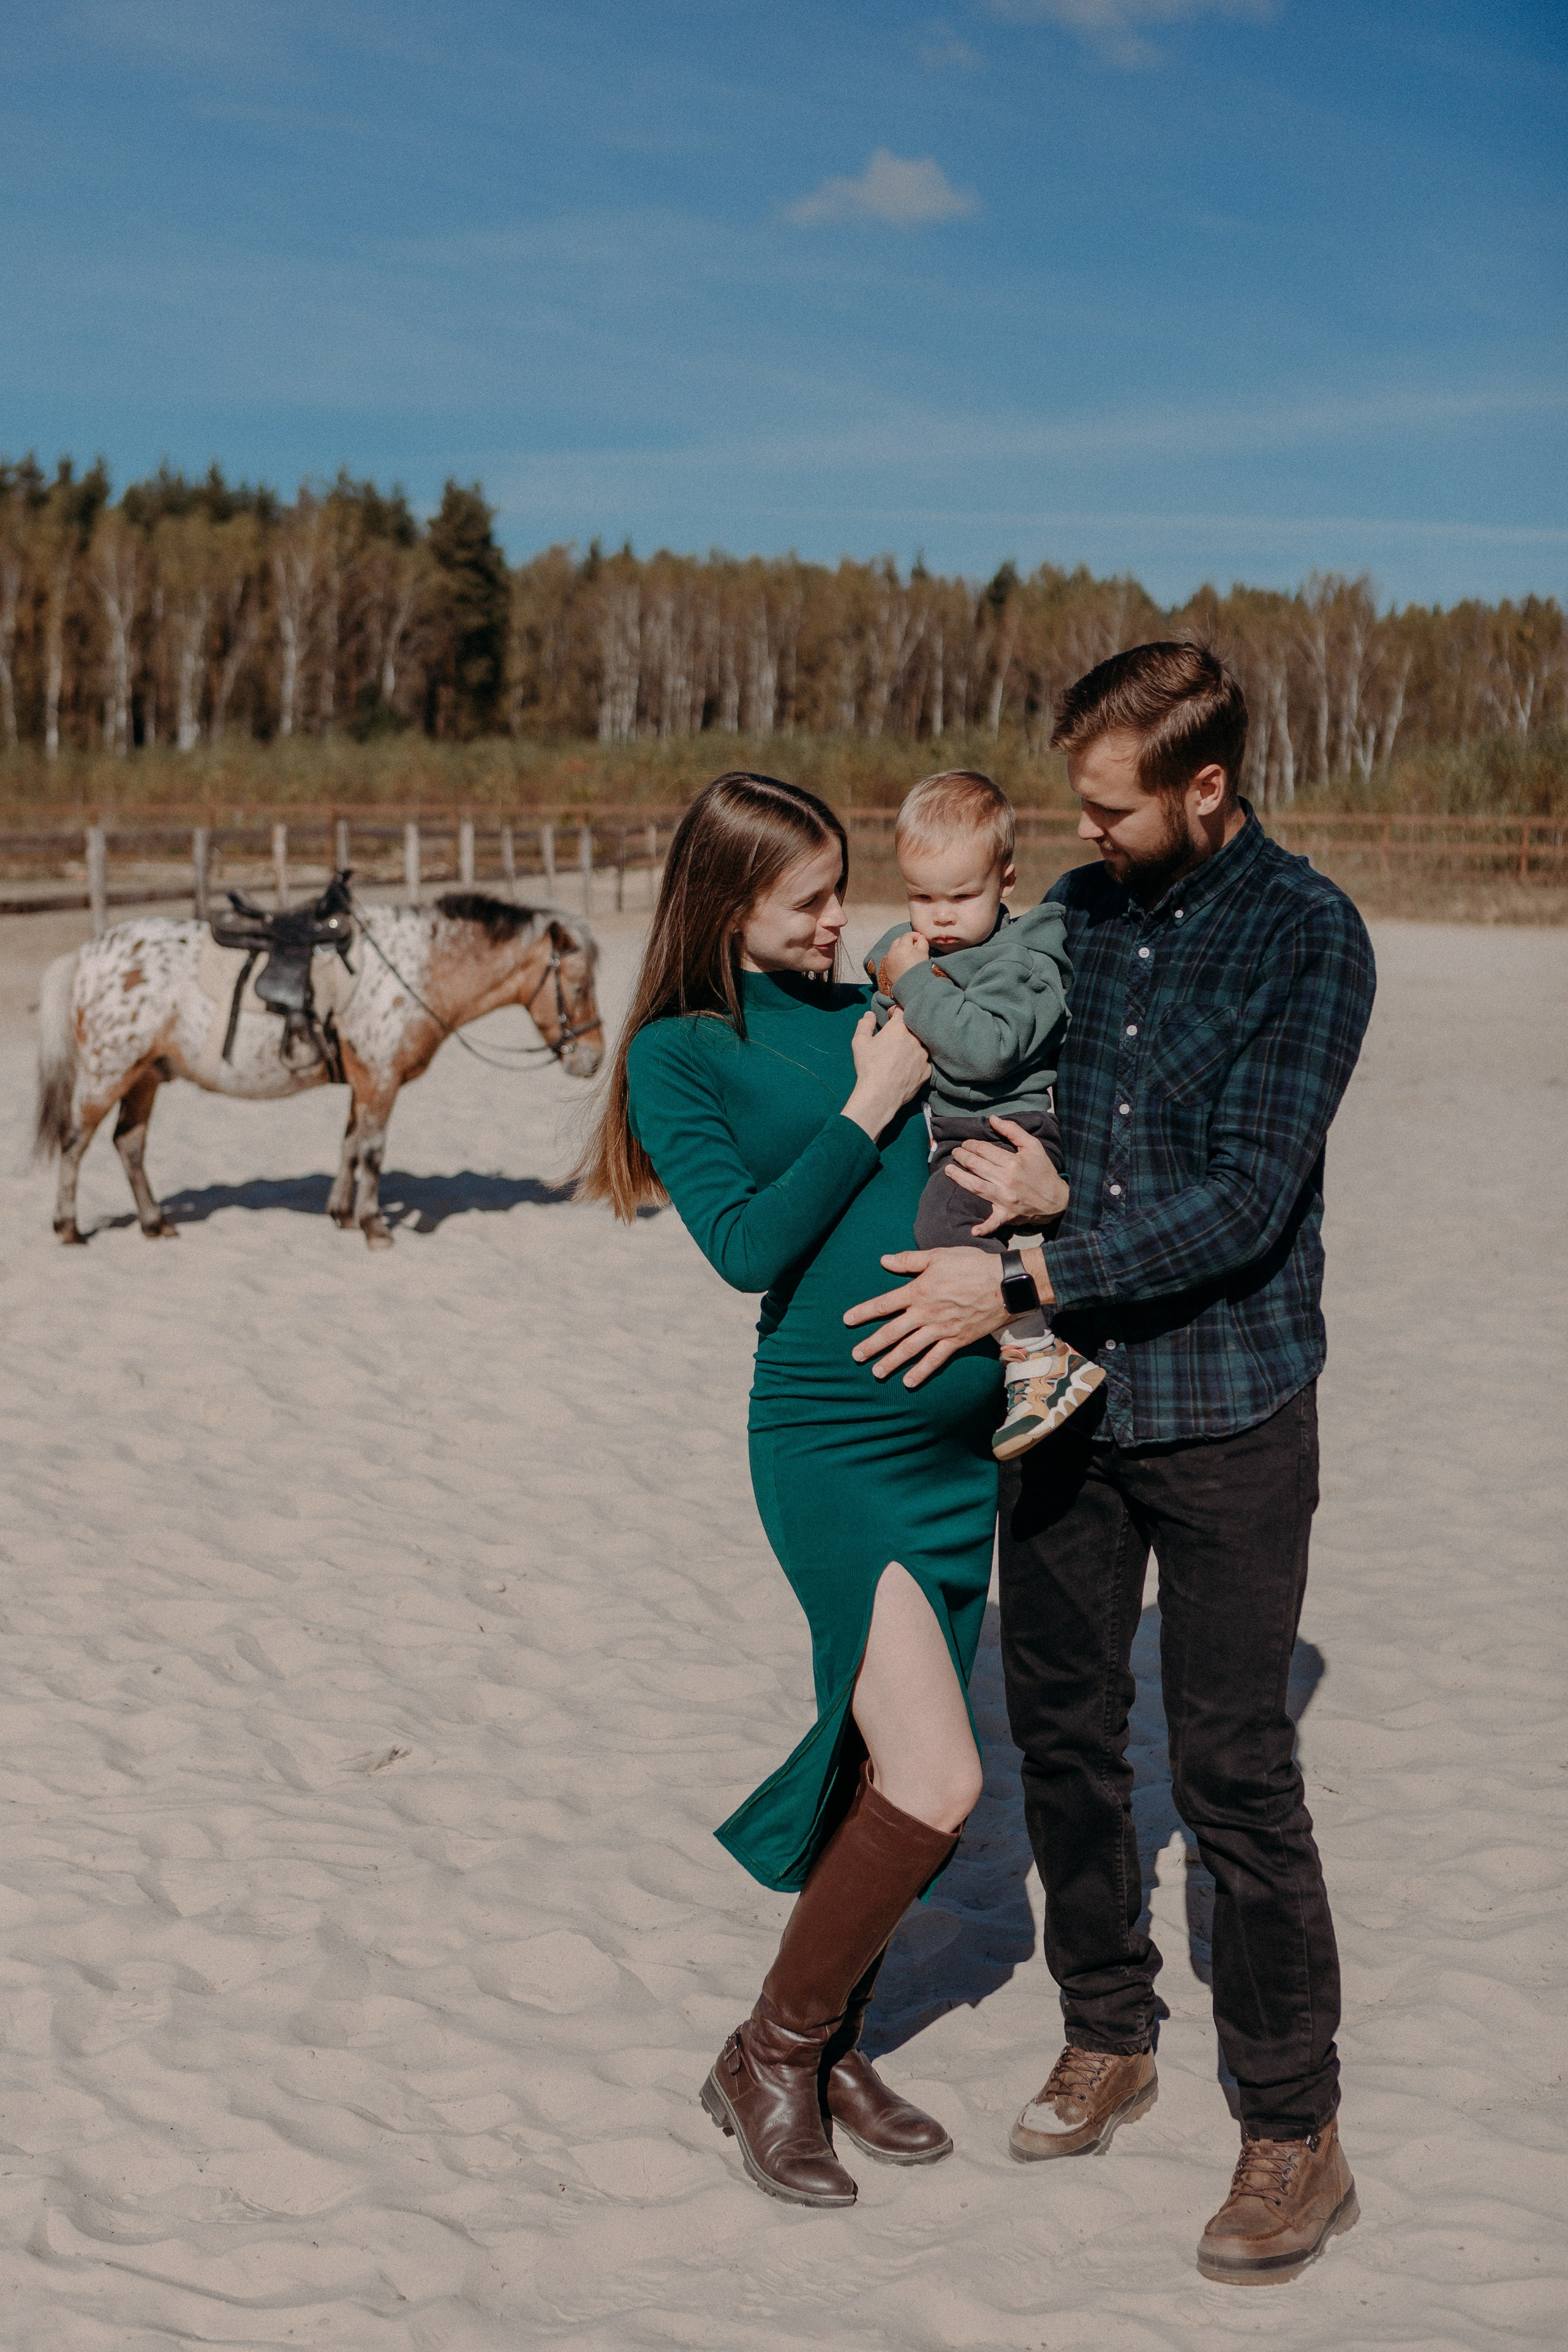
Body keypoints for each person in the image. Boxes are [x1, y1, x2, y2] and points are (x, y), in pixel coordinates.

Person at [843, 644, 1376, 2286]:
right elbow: (968, 1032)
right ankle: (1107, 2034)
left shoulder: (1309, 940)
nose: (1087, 824)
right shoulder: (1082, 912)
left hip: (1226, 1408)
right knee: (1063, 1738)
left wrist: (1030, 1261)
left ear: (1205, 788)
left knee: (1231, 1773)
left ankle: (1294, 2131)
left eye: (1111, 801)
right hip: (1056, 1404)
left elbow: (1248, 1196)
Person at [577, 772, 1004, 2211]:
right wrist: (876, 1097)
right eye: (808, 899)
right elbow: (748, 1247)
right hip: (832, 1444)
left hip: (956, 1449)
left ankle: (830, 2044)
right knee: (940, 1777)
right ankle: (768, 2050)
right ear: (726, 901)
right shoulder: (678, 1053)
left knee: (892, 1762)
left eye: (838, 890)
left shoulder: (870, 994)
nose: (839, 921)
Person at [861, 767, 1104, 1458]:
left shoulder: (1022, 960)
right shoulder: (927, 950)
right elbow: (892, 1006)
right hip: (962, 1126)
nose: (939, 917)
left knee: (945, 1222)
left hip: (1010, 1129)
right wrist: (888, 996)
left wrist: (909, 983)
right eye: (920, 896)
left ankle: (1037, 1358)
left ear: (1007, 881)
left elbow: (986, 1050)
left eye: (961, 896)